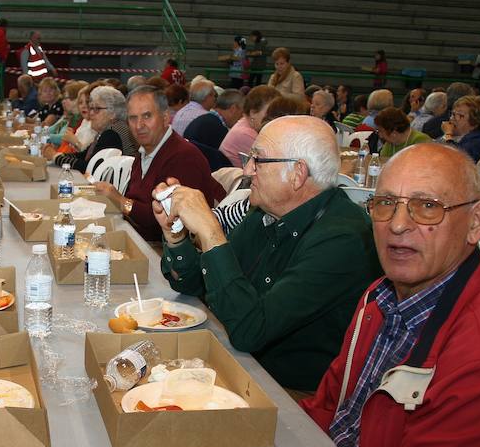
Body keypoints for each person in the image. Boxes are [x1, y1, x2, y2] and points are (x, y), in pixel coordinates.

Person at [142, 143, 480, 447]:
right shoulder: (381, 298)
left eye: (427, 207)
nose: (399, 225)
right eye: (385, 204)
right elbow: (332, 407)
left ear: (476, 222)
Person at [157, 116, 381, 392]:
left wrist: (211, 232)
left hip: (292, 399)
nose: (247, 170)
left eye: (257, 160)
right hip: (242, 366)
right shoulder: (266, 213)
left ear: (298, 173)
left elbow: (251, 332)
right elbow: (194, 285)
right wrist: (176, 236)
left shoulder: (342, 240)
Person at [93, 85, 226, 242]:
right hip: (139, 240)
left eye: (147, 116)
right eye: (133, 118)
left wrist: (121, 201)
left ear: (165, 118)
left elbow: (167, 223)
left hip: (170, 253)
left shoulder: (183, 157)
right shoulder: (144, 152)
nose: (139, 125)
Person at [44, 85, 137, 173]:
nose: (91, 113)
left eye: (96, 109)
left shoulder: (112, 133)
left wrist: (55, 156)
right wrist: (56, 155)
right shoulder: (108, 129)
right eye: (91, 108)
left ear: (112, 113)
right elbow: (83, 156)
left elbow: (89, 167)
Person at [218, 85, 281, 168]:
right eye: (270, 112)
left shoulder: (245, 125)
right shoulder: (245, 133)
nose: (275, 117)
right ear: (253, 112)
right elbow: (275, 164)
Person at [440, 95, 480, 162]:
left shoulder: (479, 140)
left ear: (475, 121)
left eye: (460, 115)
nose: (452, 118)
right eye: (453, 114)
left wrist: (448, 135)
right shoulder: (454, 135)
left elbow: (458, 158)